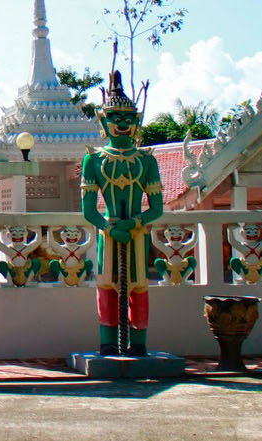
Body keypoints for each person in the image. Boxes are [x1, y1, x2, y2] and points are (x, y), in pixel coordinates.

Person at [80, 71, 164, 356]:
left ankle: (138, 344)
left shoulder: (146, 161)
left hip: (136, 233)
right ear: (104, 121)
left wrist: (134, 223)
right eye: (115, 118)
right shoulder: (93, 159)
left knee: (139, 287)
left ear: (136, 121)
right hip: (109, 232)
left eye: (128, 118)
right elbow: (88, 210)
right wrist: (110, 228)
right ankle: (107, 343)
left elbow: (157, 208)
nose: (123, 124)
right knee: (106, 286)